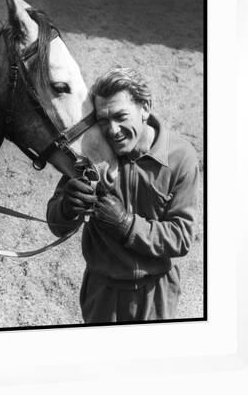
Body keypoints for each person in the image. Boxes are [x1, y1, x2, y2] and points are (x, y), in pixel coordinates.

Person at [47, 67, 199, 323]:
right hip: (102, 294)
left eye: (120, 116)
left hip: (156, 295)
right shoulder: (92, 150)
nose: (112, 130)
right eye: (103, 120)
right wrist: (66, 207)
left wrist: (127, 226)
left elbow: (182, 237)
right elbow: (56, 225)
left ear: (146, 108)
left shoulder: (180, 157)